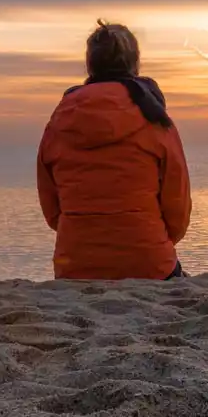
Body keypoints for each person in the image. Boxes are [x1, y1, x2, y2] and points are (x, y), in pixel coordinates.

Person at [37, 21, 192, 280]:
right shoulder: (154, 119)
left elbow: (52, 210)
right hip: (148, 263)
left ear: (90, 65)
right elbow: (177, 208)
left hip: (74, 265)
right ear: (135, 64)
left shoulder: (59, 120)